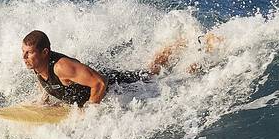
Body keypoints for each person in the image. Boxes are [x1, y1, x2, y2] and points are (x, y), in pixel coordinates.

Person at [21, 29, 170, 107]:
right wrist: (43, 100)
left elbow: (100, 83)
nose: (24, 57)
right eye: (23, 51)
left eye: (29, 52)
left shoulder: (62, 67)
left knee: (153, 75)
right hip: (99, 83)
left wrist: (89, 112)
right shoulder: (36, 64)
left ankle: (174, 48)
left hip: (117, 85)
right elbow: (45, 81)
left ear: (44, 52)